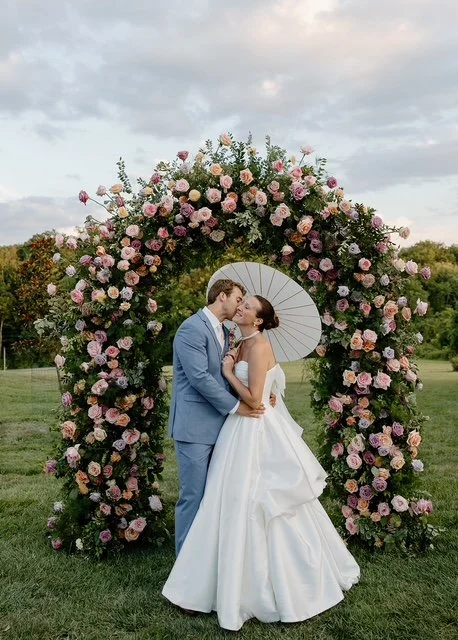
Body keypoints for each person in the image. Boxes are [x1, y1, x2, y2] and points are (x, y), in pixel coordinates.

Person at [163, 294, 360, 631]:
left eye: (247, 306)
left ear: (257, 320)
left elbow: (254, 399)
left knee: (255, 500)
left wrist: (229, 372)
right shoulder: (237, 339)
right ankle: (209, 573)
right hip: (236, 429)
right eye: (240, 302)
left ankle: (269, 583)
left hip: (253, 428)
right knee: (223, 500)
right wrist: (243, 378)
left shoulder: (257, 346)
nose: (240, 307)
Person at [168, 279, 265, 556]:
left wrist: (259, 392)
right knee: (193, 496)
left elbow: (224, 376)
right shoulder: (191, 329)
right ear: (221, 297)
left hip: (221, 427)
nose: (240, 305)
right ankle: (184, 565)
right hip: (195, 428)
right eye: (237, 299)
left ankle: (209, 558)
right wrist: (237, 407)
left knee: (215, 497)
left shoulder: (224, 331)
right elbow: (199, 378)